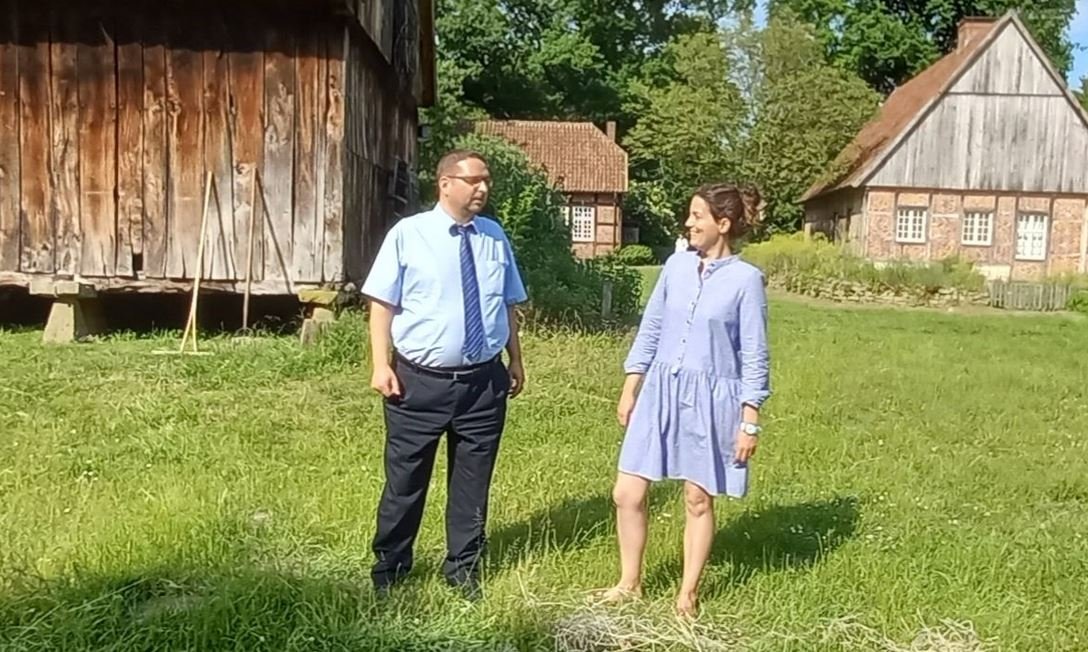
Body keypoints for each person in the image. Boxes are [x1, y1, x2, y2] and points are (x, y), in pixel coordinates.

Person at [361, 149, 529, 600]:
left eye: (486, 181)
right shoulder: (409, 235)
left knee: (473, 482)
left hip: (482, 383)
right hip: (417, 384)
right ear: (445, 183)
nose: (483, 189)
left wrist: (515, 359)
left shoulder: (494, 237)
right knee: (405, 482)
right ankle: (390, 572)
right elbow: (381, 304)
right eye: (474, 180)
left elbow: (506, 304)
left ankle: (463, 571)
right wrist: (381, 364)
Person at [598, 183, 771, 617]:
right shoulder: (675, 267)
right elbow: (651, 330)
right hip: (659, 391)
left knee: (697, 497)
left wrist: (749, 420)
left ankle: (687, 595)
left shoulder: (746, 281)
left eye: (697, 216)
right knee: (627, 492)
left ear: (723, 224)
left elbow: (754, 352)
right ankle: (629, 583)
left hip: (713, 400)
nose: (689, 223)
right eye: (690, 215)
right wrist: (630, 387)